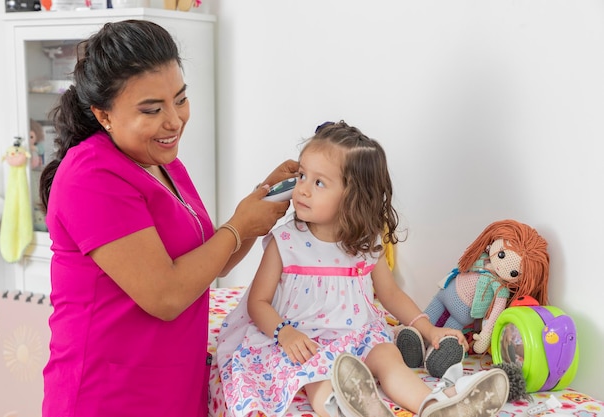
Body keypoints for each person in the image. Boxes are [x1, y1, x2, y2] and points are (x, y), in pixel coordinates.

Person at [38, 20, 298, 417]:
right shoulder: (91, 175)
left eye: (180, 99)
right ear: (103, 115)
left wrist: (258, 202)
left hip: (169, 386)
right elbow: (167, 295)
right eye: (152, 109)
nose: (174, 120)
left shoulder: (160, 161)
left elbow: (203, 264)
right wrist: (239, 225)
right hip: (108, 396)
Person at [216, 121, 510, 417]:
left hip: (356, 335)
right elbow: (258, 302)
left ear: (352, 196)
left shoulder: (366, 244)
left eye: (318, 183)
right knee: (317, 377)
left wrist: (428, 330)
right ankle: (348, 409)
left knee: (387, 356)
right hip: (304, 340)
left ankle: (435, 405)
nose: (302, 189)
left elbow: (391, 294)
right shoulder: (286, 241)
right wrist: (284, 333)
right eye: (302, 175)